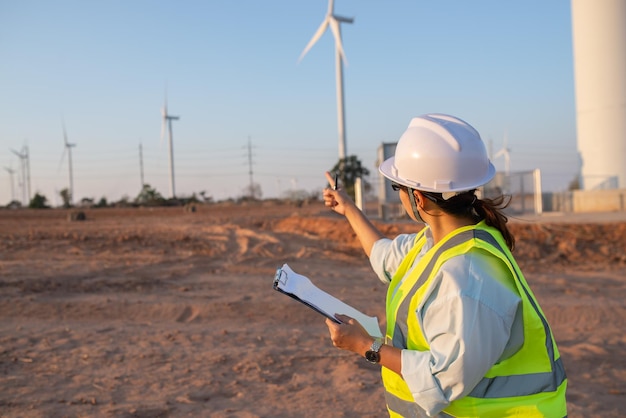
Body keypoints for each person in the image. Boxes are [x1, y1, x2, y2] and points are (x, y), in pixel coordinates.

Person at [322, 114, 567, 417]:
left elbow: (442, 377)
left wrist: (365, 347)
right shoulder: (436, 243)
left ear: (420, 199)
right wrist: (348, 207)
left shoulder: (466, 277)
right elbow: (384, 256)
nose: (398, 194)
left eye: (398, 186)